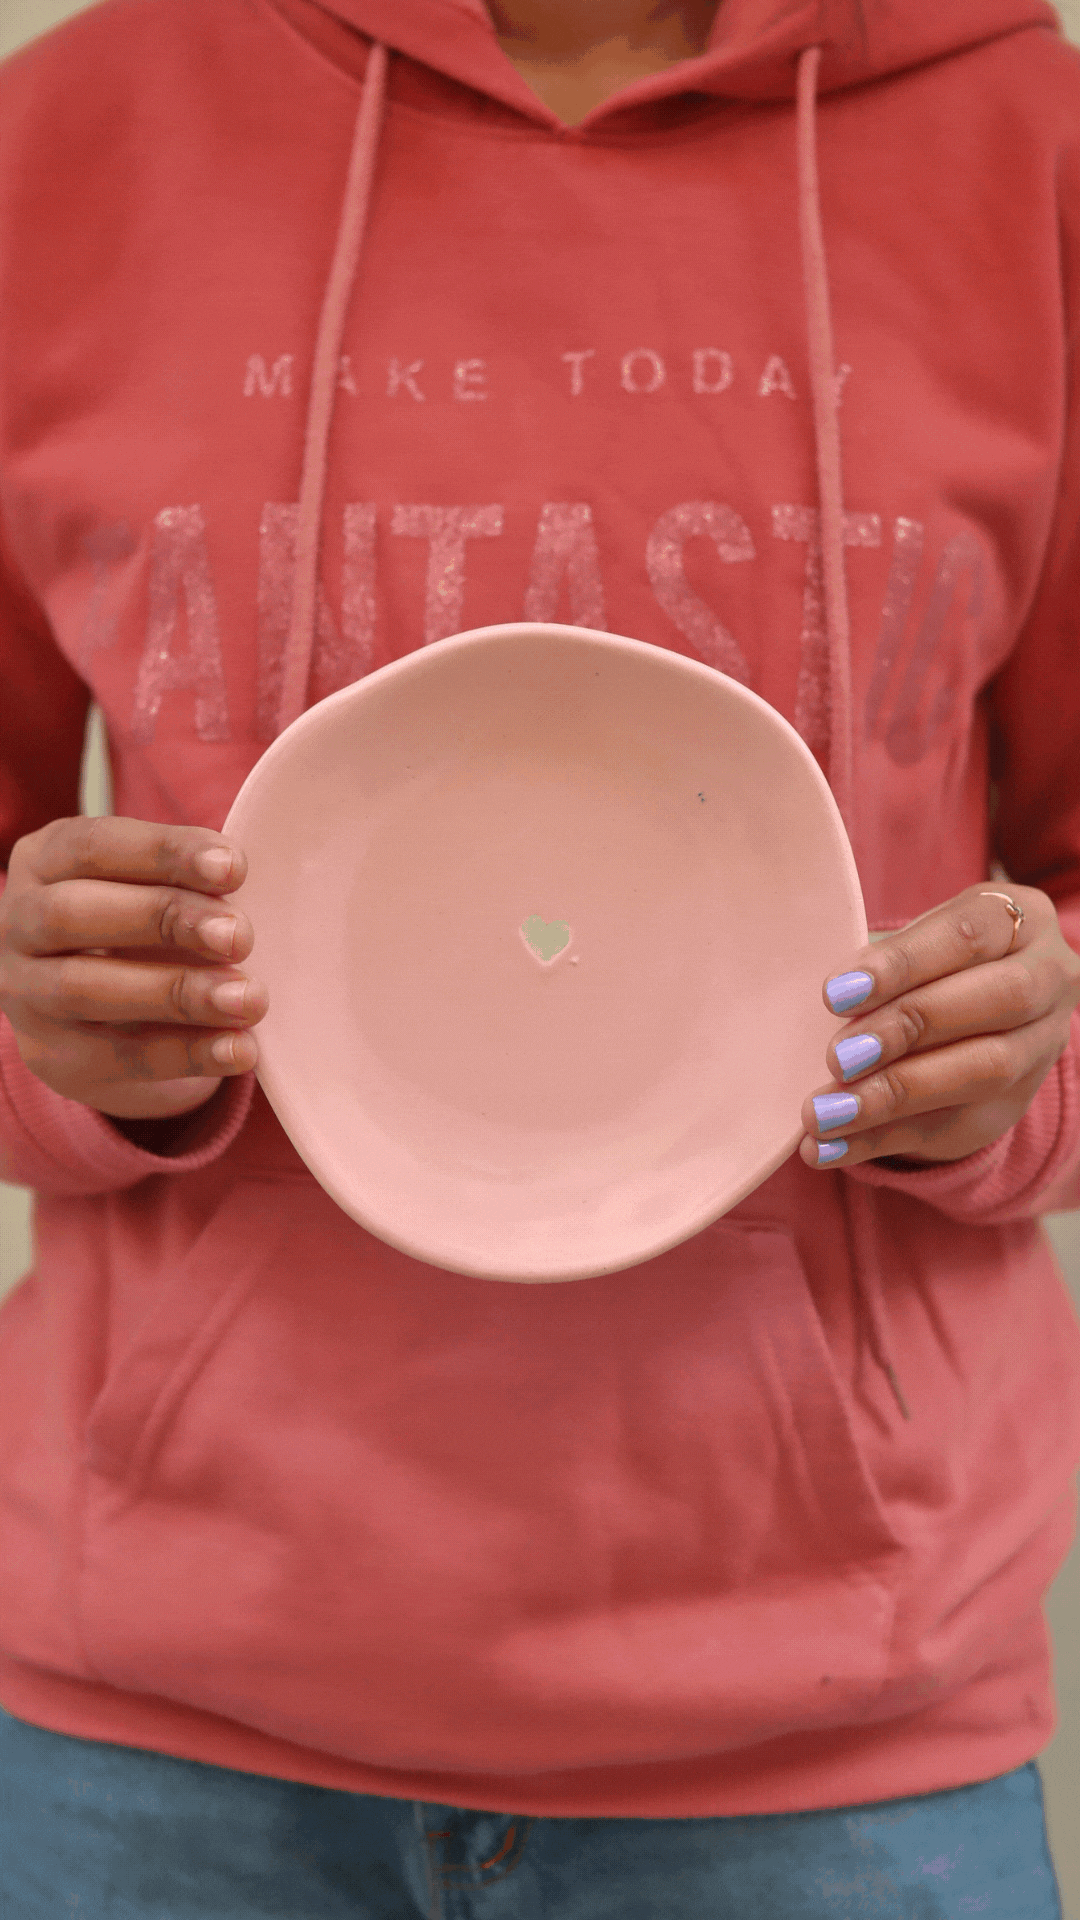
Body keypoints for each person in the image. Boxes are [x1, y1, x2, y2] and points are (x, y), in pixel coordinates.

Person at [1, 0, 1079, 1911]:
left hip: (837, 1745)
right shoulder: (72, 138)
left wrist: (1015, 1073)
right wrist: (56, 1045)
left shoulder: (1025, 144)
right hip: (154, 1732)